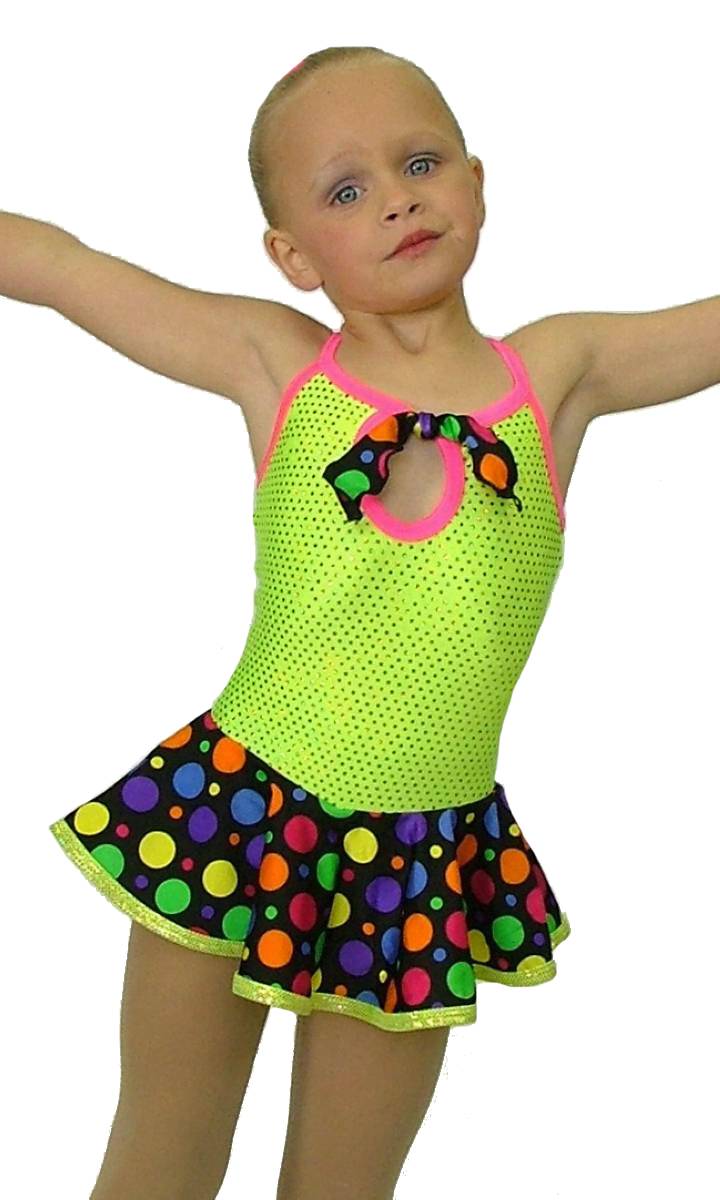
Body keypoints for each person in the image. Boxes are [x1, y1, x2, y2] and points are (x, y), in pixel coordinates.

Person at [3, 41, 718, 1200]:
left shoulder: (558, 375)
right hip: (231, 818)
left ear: (477, 183)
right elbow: (62, 268)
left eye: (420, 163)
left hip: (420, 864)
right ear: (292, 255)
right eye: (346, 190)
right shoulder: (277, 363)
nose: (396, 198)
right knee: (160, 1158)